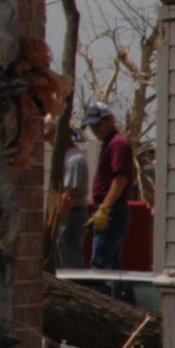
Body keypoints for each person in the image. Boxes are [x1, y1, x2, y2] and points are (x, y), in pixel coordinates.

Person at [84, 101, 136, 280]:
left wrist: (104, 208)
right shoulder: (110, 143)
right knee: (113, 266)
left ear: (110, 120)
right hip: (110, 209)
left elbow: (121, 178)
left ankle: (101, 302)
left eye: (98, 125)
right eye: (92, 126)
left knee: (101, 265)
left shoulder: (117, 144)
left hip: (112, 210)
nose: (95, 130)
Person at [55, 125, 90, 269]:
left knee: (70, 262)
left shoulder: (73, 160)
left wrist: (57, 220)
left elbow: (69, 195)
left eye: (49, 135)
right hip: (70, 214)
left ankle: (74, 288)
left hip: (72, 215)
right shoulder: (68, 157)